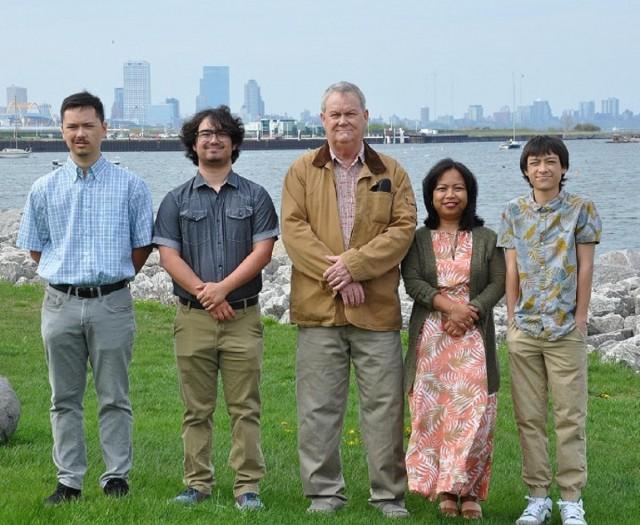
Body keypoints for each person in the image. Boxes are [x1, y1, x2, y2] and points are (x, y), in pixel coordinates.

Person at [281, 81, 417, 518]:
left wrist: (356, 265)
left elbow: (402, 231)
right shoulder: (300, 171)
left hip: (376, 313)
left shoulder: (391, 172)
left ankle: (388, 496)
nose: (342, 121)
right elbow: (295, 231)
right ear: (322, 120)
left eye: (350, 113)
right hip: (318, 311)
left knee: (384, 408)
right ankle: (324, 495)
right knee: (318, 408)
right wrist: (340, 277)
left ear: (365, 117)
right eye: (334, 114)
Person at [16, 91, 154, 505]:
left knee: (115, 396)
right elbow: (36, 247)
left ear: (103, 129)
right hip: (60, 304)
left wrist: (109, 278)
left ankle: (116, 477)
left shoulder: (131, 186)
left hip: (112, 303)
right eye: (72, 126)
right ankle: (69, 480)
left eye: (88, 125)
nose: (80, 134)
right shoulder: (44, 188)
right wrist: (68, 274)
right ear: (62, 131)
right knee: (64, 398)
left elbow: (141, 246)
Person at [153, 106, 278, 511]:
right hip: (193, 319)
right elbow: (168, 256)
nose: (213, 139)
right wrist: (205, 294)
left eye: (222, 134)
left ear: (234, 143)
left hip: (243, 316)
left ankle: (248, 488)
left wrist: (221, 290)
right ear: (194, 143)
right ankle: (197, 483)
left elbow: (263, 251)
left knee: (245, 407)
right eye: (206, 134)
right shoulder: (175, 200)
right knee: (196, 408)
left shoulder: (256, 195)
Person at [498, 136, 602, 525]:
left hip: (564, 329)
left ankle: (572, 498)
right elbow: (511, 269)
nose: (543, 168)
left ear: (563, 167)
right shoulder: (512, 211)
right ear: (525, 169)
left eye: (551, 161)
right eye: (535, 162)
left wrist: (581, 317)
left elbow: (586, 265)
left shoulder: (581, 209)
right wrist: (511, 318)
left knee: (570, 415)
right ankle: (537, 495)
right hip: (524, 328)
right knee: (528, 417)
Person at [402, 158, 505, 520]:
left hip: (473, 339)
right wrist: (448, 308)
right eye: (442, 188)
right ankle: (445, 488)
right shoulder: (417, 238)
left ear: (469, 194)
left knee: (475, 417)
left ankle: (471, 490)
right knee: (435, 416)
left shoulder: (487, 238)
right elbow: (412, 280)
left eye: (458, 188)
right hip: (431, 340)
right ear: (431, 194)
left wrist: (469, 311)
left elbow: (498, 282)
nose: (450, 194)